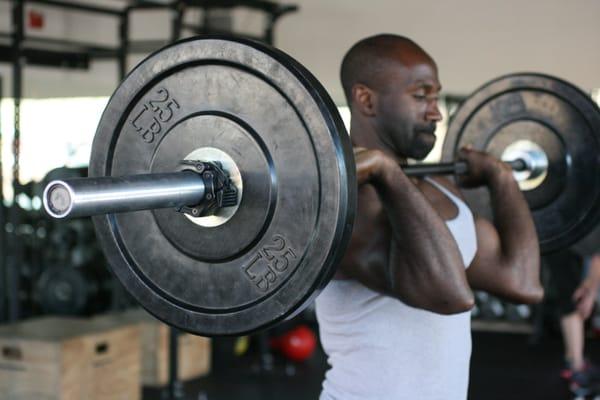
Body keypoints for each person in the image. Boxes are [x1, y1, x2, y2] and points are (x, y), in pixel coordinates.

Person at [315, 34, 544, 400]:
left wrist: (502, 180)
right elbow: (449, 296)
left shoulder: (441, 190)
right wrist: (388, 174)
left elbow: (523, 283)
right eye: (421, 96)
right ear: (366, 99)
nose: (435, 112)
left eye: (436, 97)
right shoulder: (346, 205)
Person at [545, 251, 600, 396]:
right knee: (571, 299)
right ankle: (576, 369)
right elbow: (597, 257)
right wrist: (590, 290)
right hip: (561, 243)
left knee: (572, 298)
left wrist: (591, 289)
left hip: (570, 242)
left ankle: (574, 363)